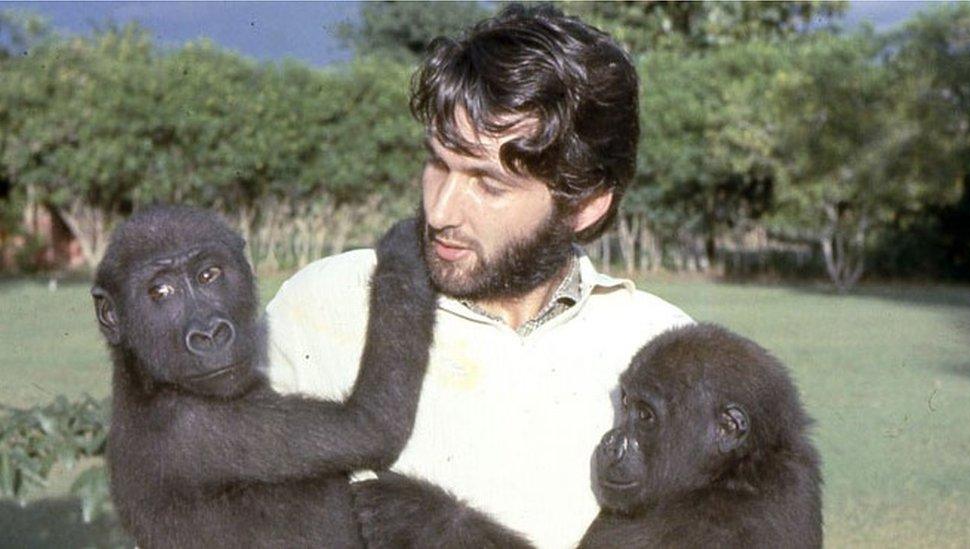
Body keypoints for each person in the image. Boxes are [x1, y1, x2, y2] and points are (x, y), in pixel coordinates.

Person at [265, 5, 692, 547]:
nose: (441, 209)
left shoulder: (666, 349)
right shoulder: (321, 309)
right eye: (438, 163)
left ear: (585, 205)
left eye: (488, 185)